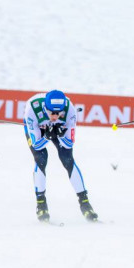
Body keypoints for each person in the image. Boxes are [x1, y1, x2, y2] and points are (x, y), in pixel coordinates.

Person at [23, 90, 99, 222]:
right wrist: (47, 136)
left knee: (68, 160)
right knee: (41, 159)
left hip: (58, 130)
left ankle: (84, 202)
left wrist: (61, 134)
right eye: (52, 112)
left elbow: (69, 145)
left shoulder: (70, 111)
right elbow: (37, 146)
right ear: (45, 108)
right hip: (38, 128)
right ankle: (41, 203)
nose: (55, 116)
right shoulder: (32, 110)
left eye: (59, 113)